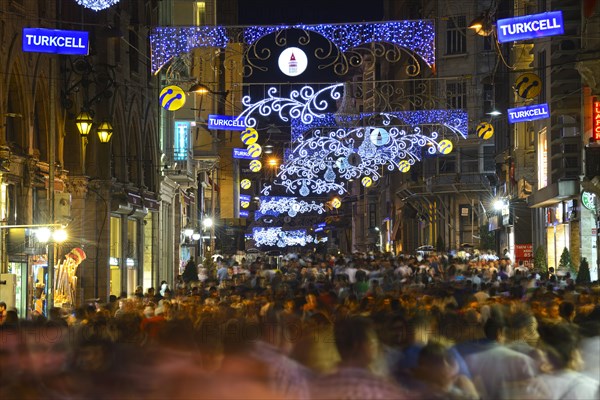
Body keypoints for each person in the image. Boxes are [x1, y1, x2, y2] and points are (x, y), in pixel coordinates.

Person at [310, 316, 410, 399]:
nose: (375, 345)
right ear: (357, 345)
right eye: (372, 341)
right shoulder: (377, 387)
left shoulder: (319, 384)